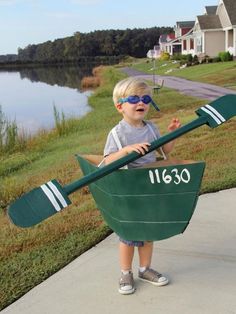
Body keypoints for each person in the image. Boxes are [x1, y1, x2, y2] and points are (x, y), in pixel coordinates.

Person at [103, 77, 181, 295]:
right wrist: (126, 151)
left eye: (146, 98)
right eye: (134, 98)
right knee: (128, 235)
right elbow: (107, 161)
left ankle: (145, 269)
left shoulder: (151, 127)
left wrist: (171, 134)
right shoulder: (118, 134)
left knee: (148, 231)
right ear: (120, 106)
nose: (142, 102)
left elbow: (164, 152)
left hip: (149, 188)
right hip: (129, 189)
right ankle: (125, 272)